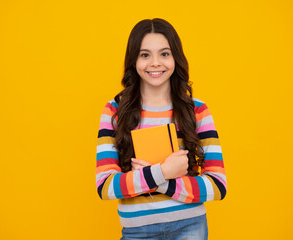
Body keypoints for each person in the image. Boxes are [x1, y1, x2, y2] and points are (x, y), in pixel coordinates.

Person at [96, 18, 226, 240]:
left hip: (190, 227)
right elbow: (106, 186)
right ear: (134, 60)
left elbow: (217, 186)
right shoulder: (114, 111)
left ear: (175, 57)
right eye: (145, 55)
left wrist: (153, 179)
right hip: (137, 232)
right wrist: (164, 172)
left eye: (164, 54)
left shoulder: (197, 110)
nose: (155, 63)